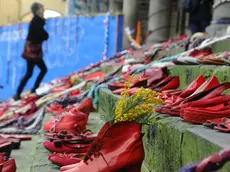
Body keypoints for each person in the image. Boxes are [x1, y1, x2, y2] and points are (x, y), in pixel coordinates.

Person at [14, 2, 49, 100]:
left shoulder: (36, 21)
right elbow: (42, 35)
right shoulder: (37, 21)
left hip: (32, 52)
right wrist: (45, 35)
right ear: (38, 10)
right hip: (34, 52)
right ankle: (34, 89)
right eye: (42, 8)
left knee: (30, 72)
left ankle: (19, 93)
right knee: (42, 69)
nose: (43, 10)